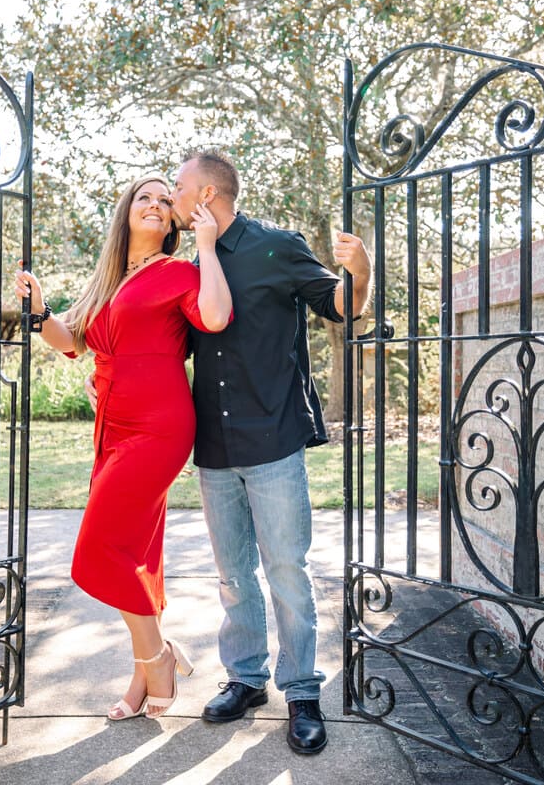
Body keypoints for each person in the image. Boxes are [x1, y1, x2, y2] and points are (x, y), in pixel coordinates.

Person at [171, 148, 371, 754]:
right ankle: (246, 679)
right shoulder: (189, 264)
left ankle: (303, 690)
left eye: (179, 187)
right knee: (234, 576)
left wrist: (361, 268)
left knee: (287, 571)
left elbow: (341, 307)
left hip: (274, 440)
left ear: (206, 195)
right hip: (213, 446)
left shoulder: (276, 247)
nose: (173, 198)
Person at [13, 174, 232, 720]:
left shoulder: (180, 271)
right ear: (126, 211)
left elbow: (215, 316)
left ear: (173, 220)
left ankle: (156, 656)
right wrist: (41, 312)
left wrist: (205, 248)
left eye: (165, 199)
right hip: (113, 423)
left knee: (100, 547)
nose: (157, 204)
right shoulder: (109, 278)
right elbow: (73, 341)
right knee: (136, 549)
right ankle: (143, 675)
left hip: (160, 424)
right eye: (145, 197)